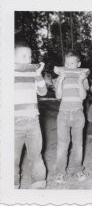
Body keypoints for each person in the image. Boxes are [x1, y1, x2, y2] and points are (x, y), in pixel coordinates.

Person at [14, 42, 47, 189]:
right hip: (13, 123)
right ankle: (12, 185)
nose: (28, 59)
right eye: (23, 56)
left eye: (30, 56)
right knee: (12, 158)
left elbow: (43, 92)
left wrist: (38, 75)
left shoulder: (33, 74)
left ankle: (39, 182)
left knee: (36, 155)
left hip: (33, 121)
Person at [55, 51, 89, 183]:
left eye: (72, 63)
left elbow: (83, 97)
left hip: (77, 113)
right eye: (67, 63)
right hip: (63, 114)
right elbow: (58, 96)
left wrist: (81, 81)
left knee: (78, 144)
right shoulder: (60, 77)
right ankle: (60, 172)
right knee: (62, 145)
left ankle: (78, 170)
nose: (69, 65)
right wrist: (61, 79)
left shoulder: (83, 78)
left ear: (78, 64)